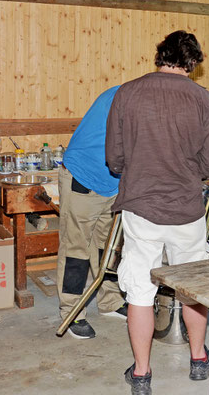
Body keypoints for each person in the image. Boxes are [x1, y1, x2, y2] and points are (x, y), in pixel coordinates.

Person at [105, 30, 209, 394]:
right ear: (192, 63)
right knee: (191, 288)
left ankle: (141, 373)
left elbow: (114, 159)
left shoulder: (126, 92)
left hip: (140, 206)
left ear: (160, 56)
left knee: (139, 291)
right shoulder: (202, 99)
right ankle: (199, 359)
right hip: (186, 210)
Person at [56, 86, 128, 340]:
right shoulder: (124, 98)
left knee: (108, 247)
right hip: (83, 177)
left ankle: (109, 301)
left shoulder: (141, 97)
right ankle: (73, 310)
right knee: (77, 249)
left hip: (111, 183)